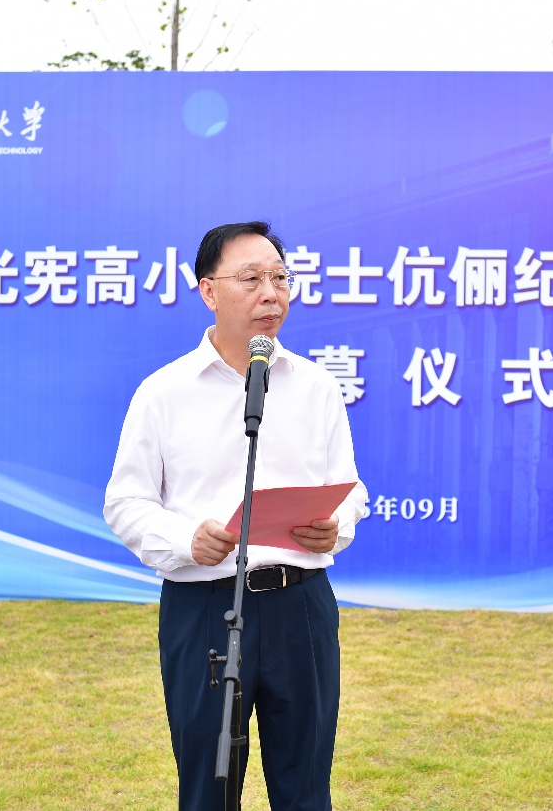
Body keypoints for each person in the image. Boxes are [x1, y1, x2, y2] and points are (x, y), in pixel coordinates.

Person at [104, 221, 367, 811]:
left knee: (306, 789)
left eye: (280, 278)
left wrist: (337, 524)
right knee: (209, 788)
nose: (270, 294)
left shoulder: (318, 387)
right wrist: (184, 539)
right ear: (209, 291)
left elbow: (350, 488)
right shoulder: (164, 392)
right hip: (204, 606)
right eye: (251, 279)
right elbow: (125, 502)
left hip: (300, 604)